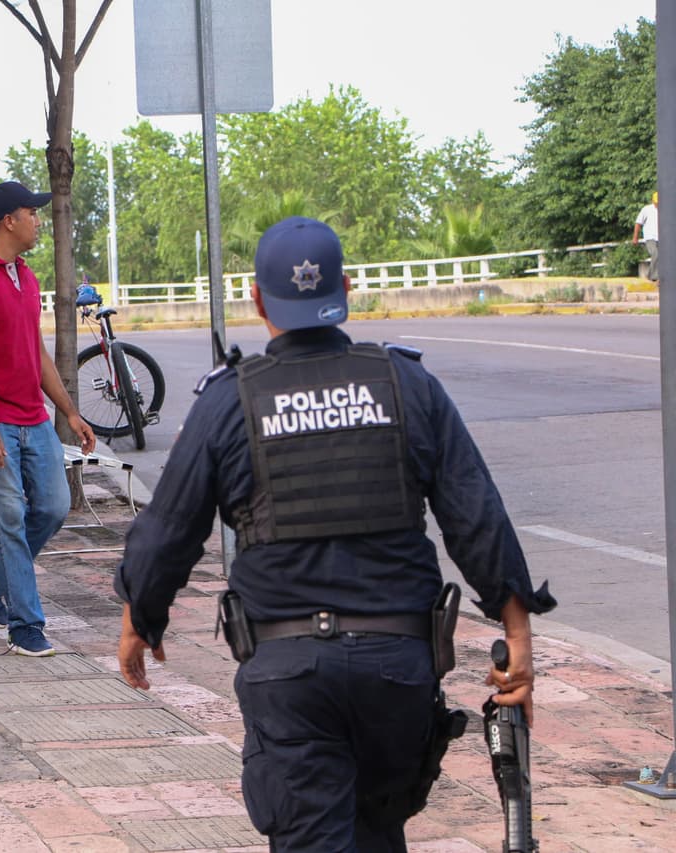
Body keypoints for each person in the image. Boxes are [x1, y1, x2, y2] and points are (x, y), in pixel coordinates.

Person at [114, 216, 556, 851]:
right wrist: (518, 637)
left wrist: (140, 621)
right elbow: (476, 515)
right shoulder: (408, 385)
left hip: (290, 679)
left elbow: (168, 530)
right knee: (378, 832)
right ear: (345, 288)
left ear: (259, 301)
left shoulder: (229, 401)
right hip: (397, 672)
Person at [0, 181, 97, 657]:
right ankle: (26, 626)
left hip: (33, 419)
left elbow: (36, 352)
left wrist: (70, 413)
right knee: (9, 516)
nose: (38, 220)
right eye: (30, 212)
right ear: (7, 221)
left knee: (53, 508)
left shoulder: (26, 277)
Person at [633, 191, 659, 282]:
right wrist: (635, 237)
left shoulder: (664, 210)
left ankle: (655, 275)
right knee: (655, 253)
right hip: (650, 237)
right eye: (656, 202)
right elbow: (638, 223)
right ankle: (653, 276)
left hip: (660, 238)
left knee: (663, 257)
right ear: (653, 201)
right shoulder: (646, 210)